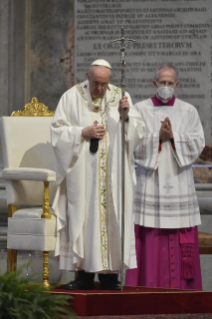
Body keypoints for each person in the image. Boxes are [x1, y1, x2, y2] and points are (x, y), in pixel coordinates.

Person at [51, 59, 145, 290]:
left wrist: (126, 116)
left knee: (112, 217)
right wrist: (82, 132)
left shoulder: (121, 97)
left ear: (110, 80)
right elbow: (57, 131)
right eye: (95, 84)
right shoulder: (71, 97)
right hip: (83, 174)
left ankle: (109, 276)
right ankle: (82, 275)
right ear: (87, 76)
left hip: (113, 173)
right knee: (83, 217)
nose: (100, 89)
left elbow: (137, 134)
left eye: (104, 84)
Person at [125, 62, 205, 290]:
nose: (166, 87)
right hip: (151, 184)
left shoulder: (188, 111)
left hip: (179, 182)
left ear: (177, 84)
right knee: (148, 238)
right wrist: (157, 138)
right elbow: (131, 142)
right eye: (162, 82)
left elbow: (197, 142)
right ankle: (145, 290)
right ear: (155, 83)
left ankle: (183, 294)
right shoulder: (139, 110)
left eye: (170, 83)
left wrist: (174, 137)